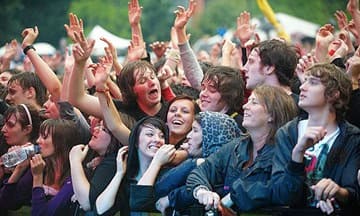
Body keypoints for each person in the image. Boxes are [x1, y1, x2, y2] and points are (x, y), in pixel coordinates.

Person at [186, 85, 298, 213]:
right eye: (248, 100)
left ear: (272, 114)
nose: (245, 106)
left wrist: (235, 195)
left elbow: (284, 190)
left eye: (254, 102)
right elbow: (201, 171)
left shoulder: (284, 152)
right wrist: (201, 191)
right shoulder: (236, 146)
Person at [271, 63, 360, 215]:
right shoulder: (287, 133)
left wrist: (337, 191)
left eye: (312, 82)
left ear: (334, 94)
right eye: (304, 81)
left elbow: (352, 193)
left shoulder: (352, 137)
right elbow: (282, 195)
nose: (302, 87)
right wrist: (297, 153)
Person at [155, 111, 243, 214]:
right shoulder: (194, 161)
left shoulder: (229, 169)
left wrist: (172, 198)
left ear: (211, 136)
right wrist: (194, 162)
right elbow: (161, 187)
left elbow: (217, 188)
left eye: (195, 130)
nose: (188, 135)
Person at [94, 117, 174, 215]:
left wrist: (156, 162)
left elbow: (140, 201)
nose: (157, 140)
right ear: (136, 141)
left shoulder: (169, 176)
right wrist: (119, 174)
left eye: (162, 136)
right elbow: (100, 210)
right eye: (150, 134)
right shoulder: (125, 178)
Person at [0, 119, 80, 216]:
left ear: (61, 143)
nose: (38, 141)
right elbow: (6, 202)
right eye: (39, 136)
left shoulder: (74, 177)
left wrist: (38, 177)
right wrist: (20, 168)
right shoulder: (43, 167)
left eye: (44, 137)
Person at [69, 119, 125, 215]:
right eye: (98, 125)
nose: (96, 129)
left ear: (116, 138)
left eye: (103, 129)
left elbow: (87, 202)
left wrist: (75, 161)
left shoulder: (114, 162)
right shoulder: (100, 159)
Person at [198, 66, 246, 132]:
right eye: (203, 88)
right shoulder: (196, 120)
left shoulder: (239, 127)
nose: (203, 94)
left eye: (212, 89)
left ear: (229, 95)